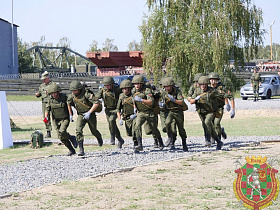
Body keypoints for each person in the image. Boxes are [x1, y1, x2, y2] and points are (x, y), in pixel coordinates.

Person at [67, 81, 103, 156]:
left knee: (93, 130)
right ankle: (81, 149)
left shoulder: (86, 94)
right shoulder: (72, 96)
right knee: (78, 130)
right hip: (81, 115)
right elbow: (68, 103)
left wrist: (89, 112)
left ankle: (99, 137)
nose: (74, 92)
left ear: (79, 89)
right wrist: (70, 114)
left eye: (75, 90)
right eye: (72, 90)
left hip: (90, 114)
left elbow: (96, 103)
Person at [131, 75, 164, 151]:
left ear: (141, 83)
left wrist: (141, 100)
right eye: (135, 84)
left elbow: (151, 102)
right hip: (141, 113)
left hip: (149, 112)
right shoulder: (133, 91)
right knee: (137, 126)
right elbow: (133, 99)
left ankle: (160, 142)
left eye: (138, 84)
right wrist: (135, 108)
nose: (136, 85)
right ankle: (140, 145)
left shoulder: (147, 90)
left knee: (154, 129)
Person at [190, 76, 223, 150]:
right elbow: (191, 101)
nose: (203, 86)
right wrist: (195, 99)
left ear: (207, 84)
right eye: (201, 84)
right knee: (206, 126)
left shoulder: (211, 90)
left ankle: (216, 140)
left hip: (210, 111)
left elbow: (220, 96)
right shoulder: (197, 91)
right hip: (201, 112)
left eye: (204, 85)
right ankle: (217, 141)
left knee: (207, 122)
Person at [45, 83, 78, 156]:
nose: (53, 94)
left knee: (62, 131)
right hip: (56, 120)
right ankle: (71, 149)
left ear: (58, 92)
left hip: (65, 118)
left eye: (55, 93)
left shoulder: (64, 97)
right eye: (52, 93)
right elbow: (47, 110)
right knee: (60, 137)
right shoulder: (50, 100)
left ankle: (71, 137)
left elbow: (70, 103)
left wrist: (71, 115)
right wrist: (46, 118)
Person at [160, 77, 188, 151]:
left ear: (172, 86)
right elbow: (160, 99)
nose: (167, 88)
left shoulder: (177, 92)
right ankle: (170, 138)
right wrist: (161, 103)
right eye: (165, 87)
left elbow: (181, 102)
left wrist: (173, 100)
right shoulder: (163, 92)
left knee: (181, 128)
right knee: (167, 123)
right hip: (170, 111)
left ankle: (184, 143)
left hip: (178, 111)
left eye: (168, 86)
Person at [95, 76, 124, 148]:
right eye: (105, 85)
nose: (106, 87)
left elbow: (124, 95)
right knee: (112, 124)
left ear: (112, 84)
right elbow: (96, 97)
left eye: (108, 85)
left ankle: (112, 137)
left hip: (116, 109)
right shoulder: (103, 90)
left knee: (111, 121)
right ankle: (120, 139)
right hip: (107, 110)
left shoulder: (117, 89)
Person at [208, 72, 235, 141]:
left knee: (216, 123)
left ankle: (218, 138)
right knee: (210, 123)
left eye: (214, 79)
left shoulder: (222, 88)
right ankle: (216, 134)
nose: (212, 81)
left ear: (217, 80)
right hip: (210, 109)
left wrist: (232, 109)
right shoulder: (207, 88)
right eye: (211, 79)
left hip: (219, 108)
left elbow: (231, 97)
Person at [117, 80, 137, 147]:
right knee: (129, 133)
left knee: (135, 130)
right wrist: (120, 119)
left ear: (129, 88)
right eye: (122, 89)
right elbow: (118, 109)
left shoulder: (133, 95)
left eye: (125, 89)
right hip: (127, 117)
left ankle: (136, 144)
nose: (123, 90)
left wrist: (135, 113)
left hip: (134, 116)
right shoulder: (121, 96)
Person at [35, 71, 53, 138]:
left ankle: (59, 131)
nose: (43, 81)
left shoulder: (53, 85)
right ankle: (48, 132)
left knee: (56, 117)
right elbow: (39, 93)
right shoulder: (41, 86)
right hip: (45, 104)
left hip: (52, 102)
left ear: (48, 78)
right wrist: (37, 94)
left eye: (44, 79)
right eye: (42, 79)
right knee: (46, 118)